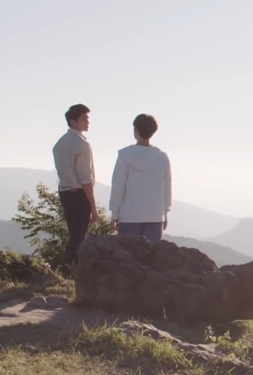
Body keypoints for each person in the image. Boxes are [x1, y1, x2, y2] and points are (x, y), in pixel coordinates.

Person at [109, 113, 172, 243]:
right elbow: (167, 188)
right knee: (151, 258)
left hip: (129, 217)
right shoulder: (162, 157)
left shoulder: (124, 156)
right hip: (154, 216)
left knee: (128, 257)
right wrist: (165, 213)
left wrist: (115, 214)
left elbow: (118, 186)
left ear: (136, 131)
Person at [52, 103, 97, 274]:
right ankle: (70, 270)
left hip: (64, 192)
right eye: (84, 119)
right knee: (79, 238)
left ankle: (67, 270)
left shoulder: (59, 144)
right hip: (79, 194)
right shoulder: (82, 145)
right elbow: (86, 179)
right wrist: (93, 206)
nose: (87, 122)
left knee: (74, 235)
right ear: (73, 121)